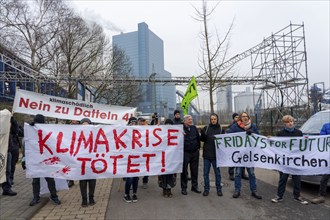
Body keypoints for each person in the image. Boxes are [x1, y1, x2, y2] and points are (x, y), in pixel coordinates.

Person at [271, 115, 308, 205]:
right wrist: (269, 139)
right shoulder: (280, 134)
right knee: (283, 179)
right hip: (284, 161)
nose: (290, 123)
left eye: (291, 121)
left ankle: (297, 196)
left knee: (297, 179)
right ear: (284, 123)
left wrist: (306, 140)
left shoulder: (299, 133)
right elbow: (276, 145)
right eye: (287, 122)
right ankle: (279, 196)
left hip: (295, 160)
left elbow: (302, 145)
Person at [27, 114, 61, 206]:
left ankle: (54, 196)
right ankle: (36, 197)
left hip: (46, 159)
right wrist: (24, 159)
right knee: (35, 180)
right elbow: (26, 145)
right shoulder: (31, 131)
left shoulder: (47, 131)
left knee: (50, 179)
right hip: (35, 160)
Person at [227, 112, 262, 199]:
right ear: (240, 118)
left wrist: (253, 133)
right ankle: (237, 190)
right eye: (243, 116)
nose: (245, 118)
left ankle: (254, 190)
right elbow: (229, 135)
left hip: (249, 155)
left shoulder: (253, 126)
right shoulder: (235, 126)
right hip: (239, 155)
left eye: (246, 116)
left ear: (248, 117)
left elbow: (258, 137)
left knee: (251, 173)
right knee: (238, 173)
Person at [200, 113, 223, 196]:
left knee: (218, 174)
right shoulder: (206, 128)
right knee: (205, 174)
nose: (213, 120)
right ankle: (206, 189)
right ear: (210, 120)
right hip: (206, 155)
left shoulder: (221, 129)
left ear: (217, 120)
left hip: (216, 156)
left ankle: (219, 189)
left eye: (215, 119)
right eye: (212, 119)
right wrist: (202, 134)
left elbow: (224, 142)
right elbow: (202, 140)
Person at [181, 115, 201, 195]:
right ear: (185, 120)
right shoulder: (180, 129)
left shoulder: (194, 128)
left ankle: (194, 186)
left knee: (194, 170)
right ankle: (184, 188)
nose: (191, 121)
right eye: (189, 119)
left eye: (191, 119)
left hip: (195, 152)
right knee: (184, 171)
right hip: (185, 152)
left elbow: (198, 139)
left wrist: (198, 148)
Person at [79, 118, 97, 207]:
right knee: (82, 182)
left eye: (87, 125)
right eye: (83, 125)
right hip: (81, 163)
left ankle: (91, 197)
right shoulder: (77, 134)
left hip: (92, 162)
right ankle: (84, 199)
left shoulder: (94, 134)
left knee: (92, 181)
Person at [311, 122, 330, 204]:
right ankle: (321, 196)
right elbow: (322, 139)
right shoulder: (326, 126)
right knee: (324, 178)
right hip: (328, 157)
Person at [158, 118, 177, 198]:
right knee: (163, 175)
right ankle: (164, 189)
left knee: (171, 174)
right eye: (167, 124)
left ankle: (169, 189)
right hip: (163, 158)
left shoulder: (175, 133)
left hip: (172, 157)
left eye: (170, 124)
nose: (168, 126)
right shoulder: (161, 133)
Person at [227, 113, 248, 181]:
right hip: (234, 147)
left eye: (238, 117)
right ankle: (231, 173)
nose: (237, 118)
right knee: (233, 160)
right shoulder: (231, 126)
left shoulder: (243, 126)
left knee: (242, 159)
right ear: (233, 118)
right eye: (236, 117)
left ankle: (243, 173)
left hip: (241, 147)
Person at [124, 117, 139, 203]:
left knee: (136, 178)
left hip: (136, 158)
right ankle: (126, 194)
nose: (133, 124)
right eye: (132, 122)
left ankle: (134, 193)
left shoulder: (139, 131)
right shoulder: (125, 132)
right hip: (127, 159)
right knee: (129, 178)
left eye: (135, 122)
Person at [1, 117, 18, 196]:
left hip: (8, 151)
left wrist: (13, 122)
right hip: (2, 151)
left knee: (7, 170)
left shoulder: (9, 128)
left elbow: (16, 131)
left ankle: (6, 188)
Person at [67, 119, 79, 188]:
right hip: (71, 149)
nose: (75, 121)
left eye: (76, 120)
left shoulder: (81, 127)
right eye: (74, 120)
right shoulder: (69, 127)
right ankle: (70, 180)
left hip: (80, 149)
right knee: (70, 165)